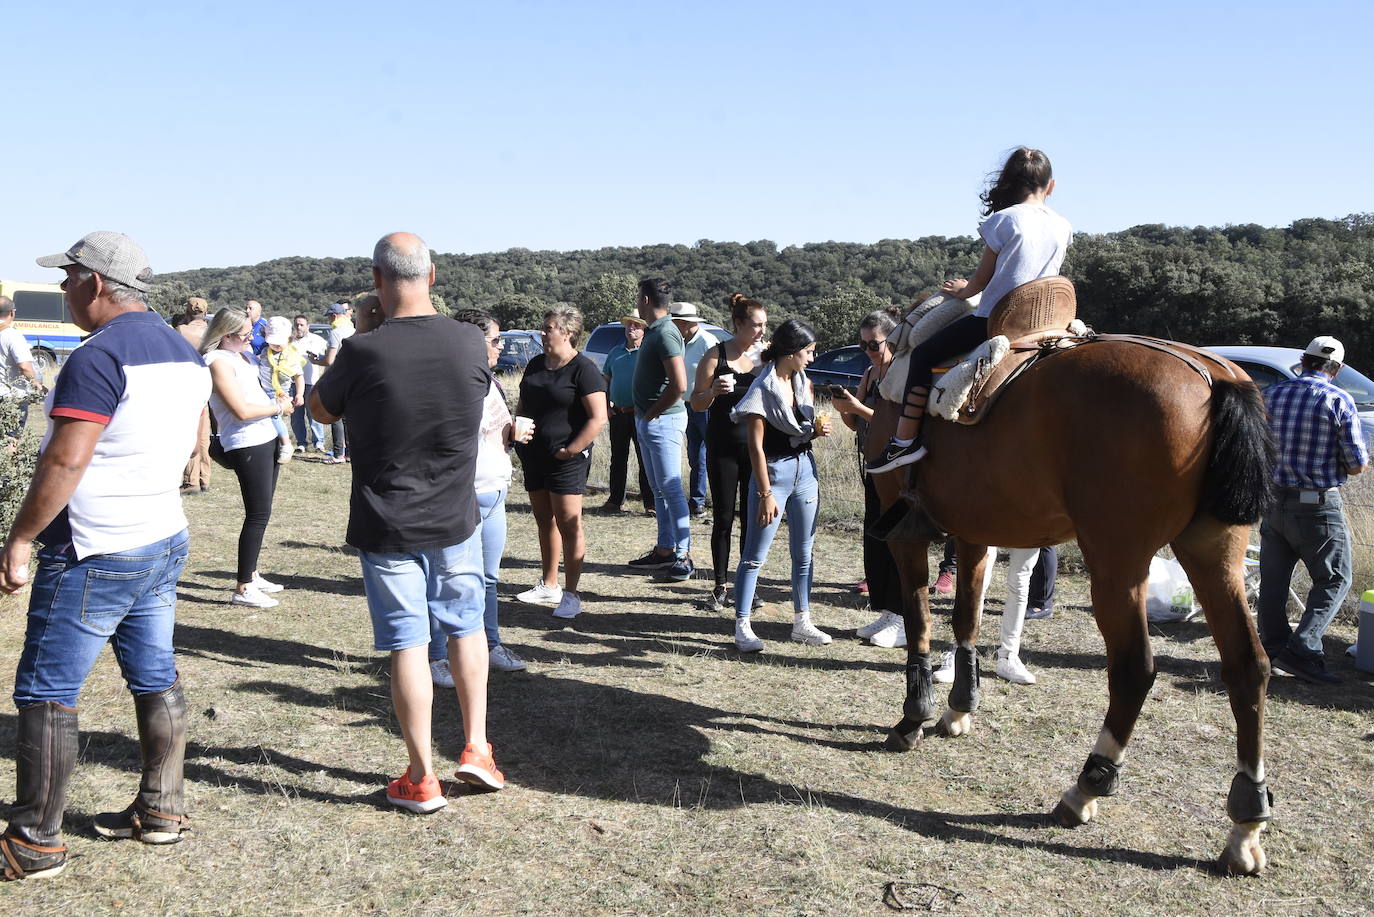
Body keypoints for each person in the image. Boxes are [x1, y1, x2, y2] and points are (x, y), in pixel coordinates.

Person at [0, 231, 208, 881]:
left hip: (93, 546)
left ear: (94, 283)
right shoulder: (182, 349)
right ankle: (163, 807)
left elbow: (67, 457)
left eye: (66, 279)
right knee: (154, 673)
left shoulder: (97, 356)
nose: (62, 292)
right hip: (160, 535)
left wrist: (20, 537)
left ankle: (35, 838)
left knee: (46, 690)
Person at [311, 232, 503, 813]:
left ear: (376, 279)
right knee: (467, 628)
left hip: (387, 519)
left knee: (408, 644)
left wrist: (366, 334)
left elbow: (319, 410)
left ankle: (421, 777)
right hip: (456, 516)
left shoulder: (363, 350)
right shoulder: (470, 341)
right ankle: (475, 748)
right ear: (433, 275)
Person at [869, 147, 1071, 472]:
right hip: (1047, 321)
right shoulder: (1062, 225)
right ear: (1051, 186)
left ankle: (904, 442)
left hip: (997, 321)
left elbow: (981, 278)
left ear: (1009, 184)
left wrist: (962, 290)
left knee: (922, 355)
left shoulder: (1003, 220)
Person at [1257, 335, 1368, 685]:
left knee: (1274, 581)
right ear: (1335, 369)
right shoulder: (1338, 399)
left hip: (1272, 499)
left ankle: (1271, 650)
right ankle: (1302, 651)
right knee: (1335, 579)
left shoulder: (1272, 395)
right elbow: (1356, 464)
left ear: (1303, 361)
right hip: (1316, 505)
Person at [429, 309, 531, 685]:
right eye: (494, 341)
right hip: (462, 495)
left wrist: (512, 433)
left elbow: (489, 433)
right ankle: (436, 656)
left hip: (495, 491)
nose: (500, 347)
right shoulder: (448, 383)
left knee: (488, 578)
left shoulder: (492, 382)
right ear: (473, 342)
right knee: (450, 578)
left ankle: (490, 646)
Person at [729, 319, 834, 652]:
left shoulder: (803, 381)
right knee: (754, 557)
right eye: (808, 351)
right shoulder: (761, 390)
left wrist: (815, 432)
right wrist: (764, 494)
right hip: (773, 474)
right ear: (790, 352)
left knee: (803, 553)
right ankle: (742, 626)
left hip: (806, 470)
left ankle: (802, 622)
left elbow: (798, 428)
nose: (811, 358)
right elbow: (755, 447)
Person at [512, 306, 608, 619]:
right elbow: (525, 402)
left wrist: (571, 450)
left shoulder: (584, 368)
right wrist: (518, 429)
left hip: (566, 459)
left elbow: (598, 418)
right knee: (544, 518)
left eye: (549, 328)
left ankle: (571, 594)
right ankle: (549, 583)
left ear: (567, 333)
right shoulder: (536, 364)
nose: (542, 332)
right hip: (533, 454)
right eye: (544, 327)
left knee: (569, 522)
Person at [200, 306, 292, 608]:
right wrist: (278, 408)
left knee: (263, 512)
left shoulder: (243, 356)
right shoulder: (216, 361)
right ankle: (243, 588)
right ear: (225, 335)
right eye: (244, 334)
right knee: (257, 514)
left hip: (264, 436)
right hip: (245, 441)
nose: (250, 337)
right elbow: (240, 411)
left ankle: (251, 573)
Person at [833, 305, 907, 648]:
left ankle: (904, 617)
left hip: (897, 469)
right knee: (876, 540)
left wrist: (857, 408)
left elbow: (891, 420)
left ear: (891, 340)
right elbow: (857, 423)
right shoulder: (869, 374)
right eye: (863, 345)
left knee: (897, 540)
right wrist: (845, 410)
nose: (868, 351)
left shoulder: (901, 372)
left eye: (873, 344)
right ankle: (888, 611)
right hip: (873, 465)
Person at [690, 293, 767, 611]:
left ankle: (748, 585)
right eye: (757, 324)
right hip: (722, 446)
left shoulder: (766, 357)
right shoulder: (715, 355)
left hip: (757, 449)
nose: (762, 330)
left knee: (753, 519)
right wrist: (712, 392)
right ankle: (720, 586)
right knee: (723, 517)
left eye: (765, 324)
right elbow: (695, 402)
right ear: (738, 324)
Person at [628, 277, 693, 580]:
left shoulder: (665, 331)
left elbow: (679, 385)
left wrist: (652, 413)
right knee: (659, 489)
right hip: (650, 419)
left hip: (662, 420)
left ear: (644, 300)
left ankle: (683, 554)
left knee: (670, 487)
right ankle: (665, 549)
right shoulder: (656, 331)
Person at [600, 314, 653, 515]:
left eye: (636, 325)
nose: (631, 328)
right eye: (629, 325)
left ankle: (650, 504)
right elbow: (604, 381)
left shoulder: (648, 352)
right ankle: (615, 501)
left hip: (640, 414)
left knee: (645, 460)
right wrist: (606, 407)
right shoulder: (615, 353)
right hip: (618, 414)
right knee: (618, 458)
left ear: (643, 330)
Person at [671, 302, 719, 517]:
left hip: (707, 406)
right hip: (686, 406)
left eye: (676, 323)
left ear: (684, 323)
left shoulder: (708, 342)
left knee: (714, 455)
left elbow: (719, 375)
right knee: (695, 456)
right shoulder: (680, 342)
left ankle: (719, 500)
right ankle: (697, 502)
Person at [0, 296, 46, 444]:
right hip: (12, 396)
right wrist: (36, 384)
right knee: (11, 438)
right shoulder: (12, 335)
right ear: (12, 313)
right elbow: (24, 366)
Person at [262, 316, 304, 463]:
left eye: (279, 342)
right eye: (273, 341)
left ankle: (286, 444)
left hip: (281, 394)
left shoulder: (291, 355)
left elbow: (298, 377)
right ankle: (275, 445)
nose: (276, 345)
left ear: (288, 338)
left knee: (273, 415)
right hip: (263, 391)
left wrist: (299, 394)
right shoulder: (264, 353)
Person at [289, 314, 328, 453]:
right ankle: (301, 443)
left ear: (308, 326)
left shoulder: (317, 340)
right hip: (293, 383)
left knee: (314, 414)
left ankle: (319, 443)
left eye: (301, 325)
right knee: (296, 415)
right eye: (296, 324)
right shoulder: (290, 342)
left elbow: (329, 354)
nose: (298, 327)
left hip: (312, 382)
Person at [321, 299, 354, 463]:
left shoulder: (336, 332)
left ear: (334, 316)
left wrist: (316, 360)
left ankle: (338, 454)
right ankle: (349, 453)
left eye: (329, 318)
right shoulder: (353, 329)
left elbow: (329, 360)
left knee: (335, 416)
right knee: (348, 418)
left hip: (337, 378)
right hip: (352, 377)